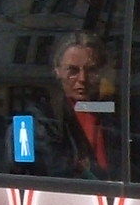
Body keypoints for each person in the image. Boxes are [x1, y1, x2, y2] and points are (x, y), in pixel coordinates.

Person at [28, 32, 115, 177]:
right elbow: (58, 170)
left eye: (91, 70)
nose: (83, 78)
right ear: (57, 71)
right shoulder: (45, 118)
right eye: (73, 71)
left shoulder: (114, 112)